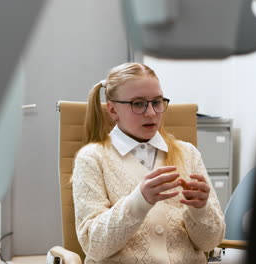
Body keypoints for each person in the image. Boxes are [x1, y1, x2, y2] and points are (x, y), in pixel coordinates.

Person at [72, 62, 225, 263]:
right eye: (138, 103)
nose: (151, 113)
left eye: (157, 102)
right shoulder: (92, 158)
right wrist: (139, 201)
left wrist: (201, 209)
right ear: (113, 110)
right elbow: (93, 246)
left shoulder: (188, 154)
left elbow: (209, 244)